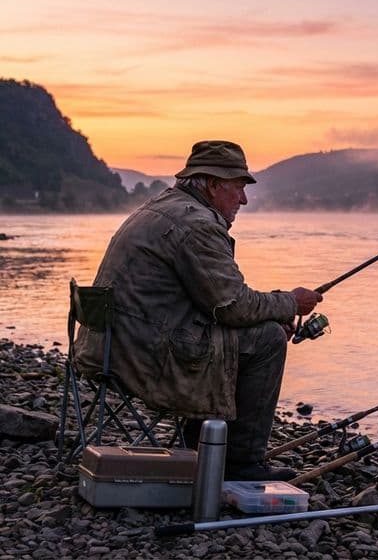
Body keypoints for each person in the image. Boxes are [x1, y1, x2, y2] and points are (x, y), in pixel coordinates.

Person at [72, 140, 322, 481]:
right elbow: (232, 306)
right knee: (267, 342)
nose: (244, 199)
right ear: (213, 184)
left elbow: (213, 305)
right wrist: (290, 303)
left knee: (257, 330)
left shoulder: (160, 206)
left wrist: (272, 312)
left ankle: (205, 445)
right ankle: (240, 463)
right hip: (144, 357)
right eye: (238, 188)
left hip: (107, 348)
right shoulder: (197, 224)